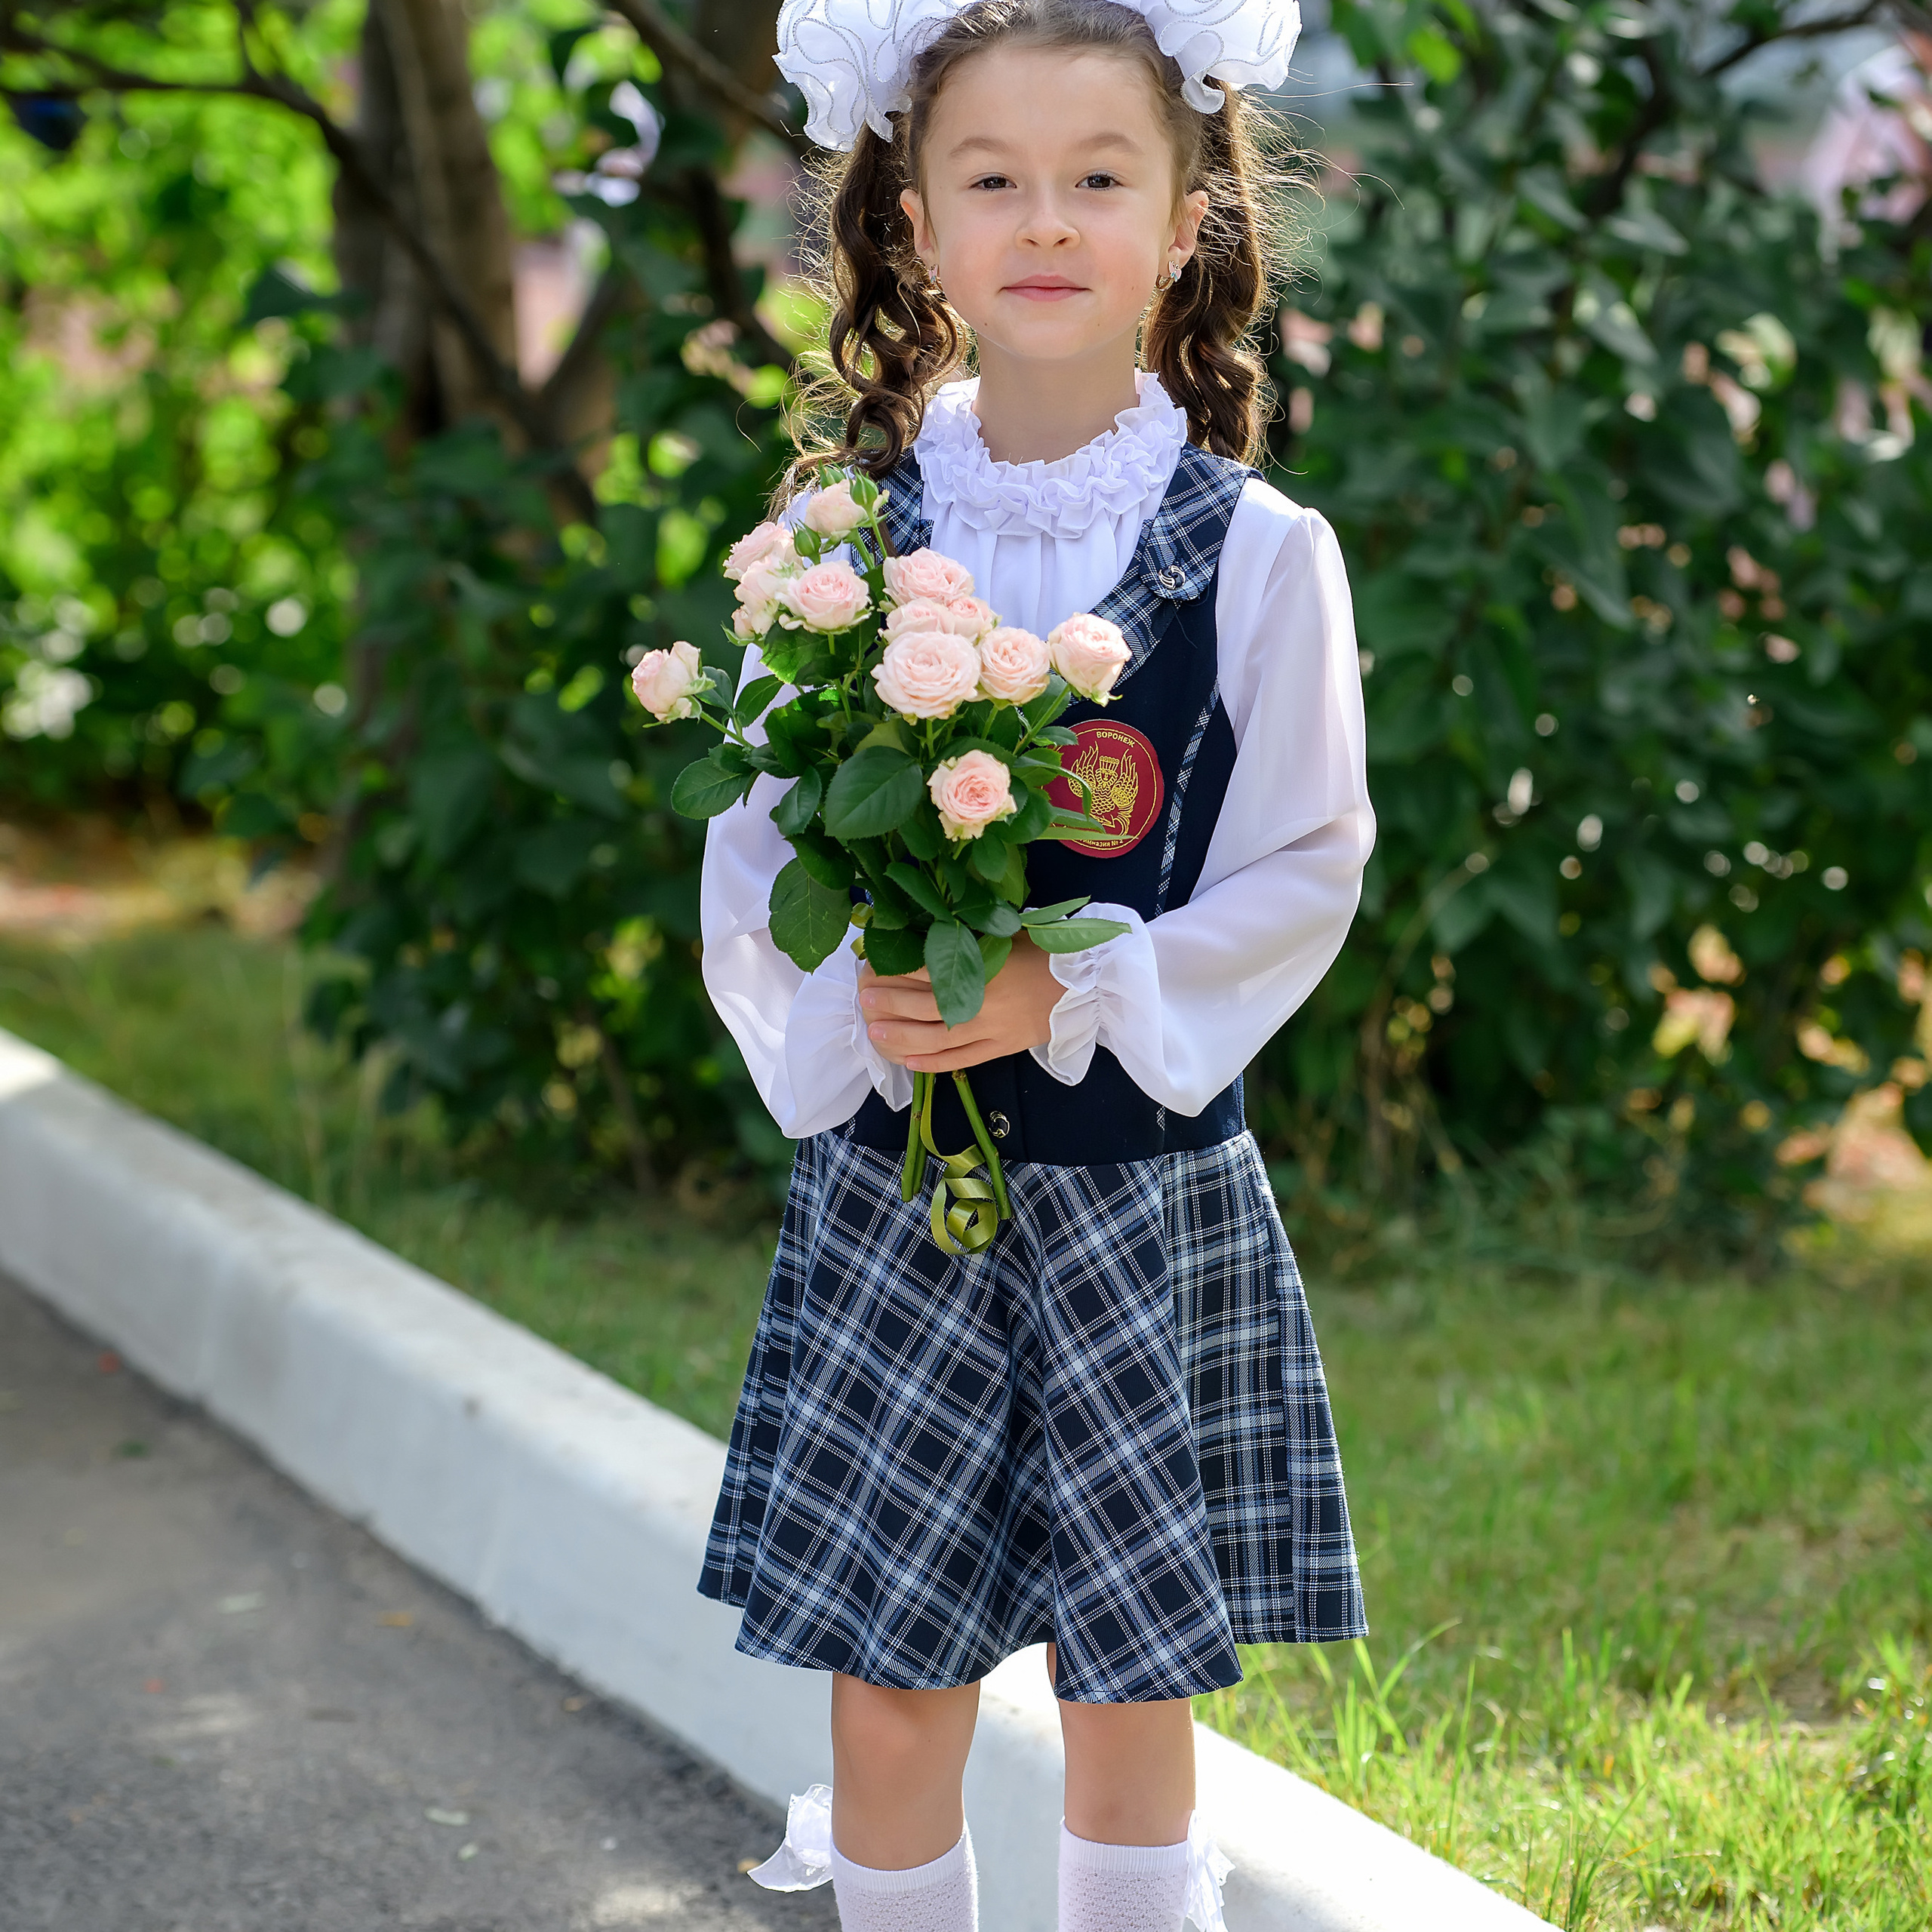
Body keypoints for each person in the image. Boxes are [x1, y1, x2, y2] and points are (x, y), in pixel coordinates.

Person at [696, 0, 1374, 1924]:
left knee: (1127, 1675)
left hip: (1133, 1190)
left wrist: (1071, 987)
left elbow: (1304, 860)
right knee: (890, 1679)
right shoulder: (837, 542)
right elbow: (753, 848)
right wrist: (855, 1009)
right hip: (895, 1191)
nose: (1047, 220)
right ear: (913, 223)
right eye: (992, 179)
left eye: (1098, 177)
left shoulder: (1257, 551)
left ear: (1183, 223)